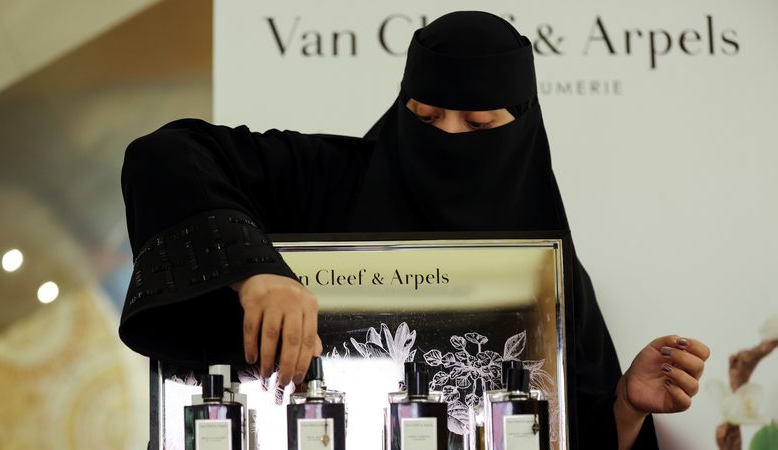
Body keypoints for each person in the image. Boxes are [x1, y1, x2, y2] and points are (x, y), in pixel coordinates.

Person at [119, 11, 709, 449]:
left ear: (521, 128)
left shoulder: (544, 271)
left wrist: (628, 406)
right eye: (425, 117)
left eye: (479, 125)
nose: (448, 137)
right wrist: (255, 272)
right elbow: (167, 154)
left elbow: (567, 429)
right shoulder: (327, 181)